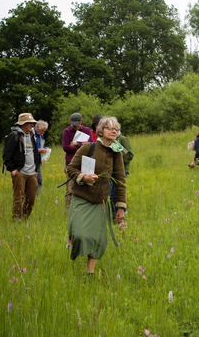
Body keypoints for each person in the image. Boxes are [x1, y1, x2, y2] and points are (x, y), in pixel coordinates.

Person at [66, 116, 126, 278]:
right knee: (79, 235)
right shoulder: (88, 148)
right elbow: (70, 169)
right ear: (100, 131)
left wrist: (120, 206)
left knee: (97, 238)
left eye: (116, 129)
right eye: (110, 128)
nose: (114, 131)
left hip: (99, 201)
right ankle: (76, 249)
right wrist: (83, 177)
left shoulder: (116, 153)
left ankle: (90, 273)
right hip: (81, 197)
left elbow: (120, 181)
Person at [2, 113, 40, 220]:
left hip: (32, 173)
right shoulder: (13, 136)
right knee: (19, 197)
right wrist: (12, 169)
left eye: (33, 123)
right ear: (23, 124)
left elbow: (35, 153)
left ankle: (25, 218)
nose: (32, 125)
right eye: (30, 123)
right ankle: (17, 219)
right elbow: (6, 154)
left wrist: (36, 169)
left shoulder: (32, 136)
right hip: (20, 172)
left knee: (31, 198)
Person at [62, 113, 94, 211]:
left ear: (81, 122)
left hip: (84, 162)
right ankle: (69, 211)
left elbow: (91, 144)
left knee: (85, 187)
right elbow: (65, 147)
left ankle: (83, 209)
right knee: (70, 188)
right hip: (71, 164)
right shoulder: (66, 131)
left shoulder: (87, 130)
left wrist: (77, 144)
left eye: (77, 124)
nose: (75, 126)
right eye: (73, 124)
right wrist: (82, 147)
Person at [109, 124, 133, 218]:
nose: (113, 131)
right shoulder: (110, 141)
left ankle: (123, 214)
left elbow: (130, 155)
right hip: (111, 171)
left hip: (122, 170)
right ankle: (115, 216)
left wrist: (119, 163)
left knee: (117, 191)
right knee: (112, 194)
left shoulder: (122, 139)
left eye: (115, 129)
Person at [33, 120, 49, 195]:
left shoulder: (41, 135)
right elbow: (28, 148)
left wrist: (45, 148)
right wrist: (39, 150)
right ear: (38, 127)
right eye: (42, 130)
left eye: (44, 131)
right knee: (31, 180)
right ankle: (29, 196)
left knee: (39, 179)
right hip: (30, 161)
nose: (43, 133)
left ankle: (37, 195)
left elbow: (40, 146)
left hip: (37, 161)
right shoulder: (31, 133)